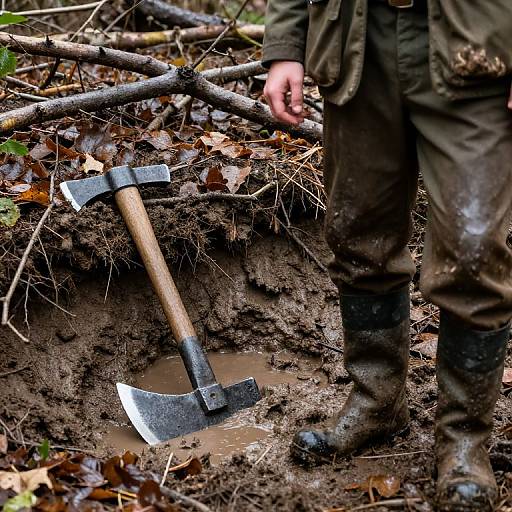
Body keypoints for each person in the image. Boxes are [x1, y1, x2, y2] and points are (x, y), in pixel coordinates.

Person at [262, 1, 512, 510]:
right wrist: (286, 48)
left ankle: (463, 441)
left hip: (477, 46)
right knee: (358, 235)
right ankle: (376, 401)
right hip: (358, 44)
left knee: (473, 254)